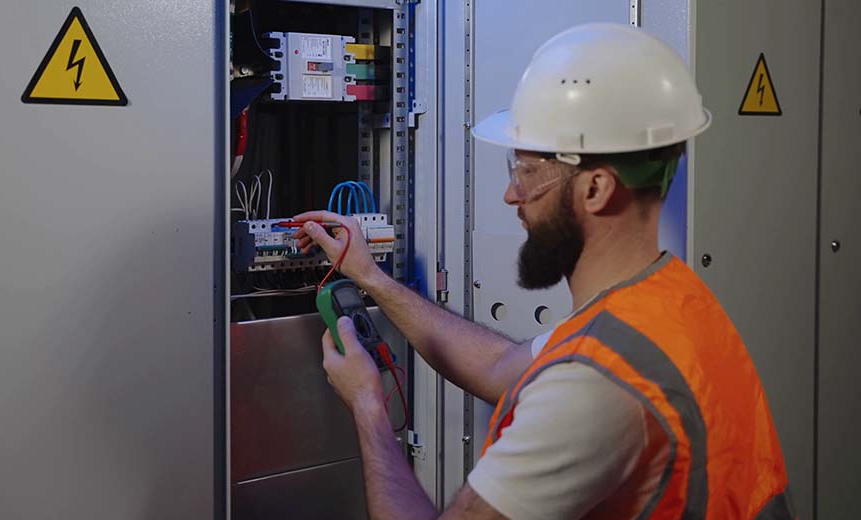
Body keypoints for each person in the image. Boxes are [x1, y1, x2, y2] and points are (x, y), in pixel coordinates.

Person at [293, 24, 794, 520]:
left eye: (526, 172)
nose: (511, 195)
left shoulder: (594, 388)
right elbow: (499, 366)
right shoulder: (668, 305)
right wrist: (371, 277)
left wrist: (368, 408)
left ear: (595, 188)